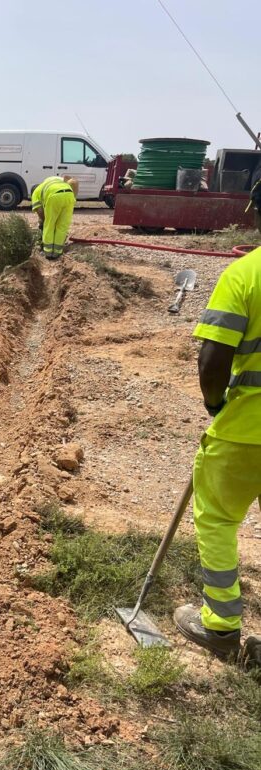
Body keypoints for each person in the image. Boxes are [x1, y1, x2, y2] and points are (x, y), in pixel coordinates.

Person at [174, 180, 261, 660]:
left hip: (246, 431)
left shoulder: (245, 275)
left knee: (218, 519)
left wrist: (214, 407)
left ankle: (222, 626)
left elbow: (212, 362)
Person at [31, 176, 77, 260]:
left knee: (49, 225)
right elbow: (72, 180)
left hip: (54, 196)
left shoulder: (35, 193)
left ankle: (48, 253)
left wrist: (45, 221)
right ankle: (57, 253)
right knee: (62, 226)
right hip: (69, 194)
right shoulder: (48, 182)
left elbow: (40, 211)